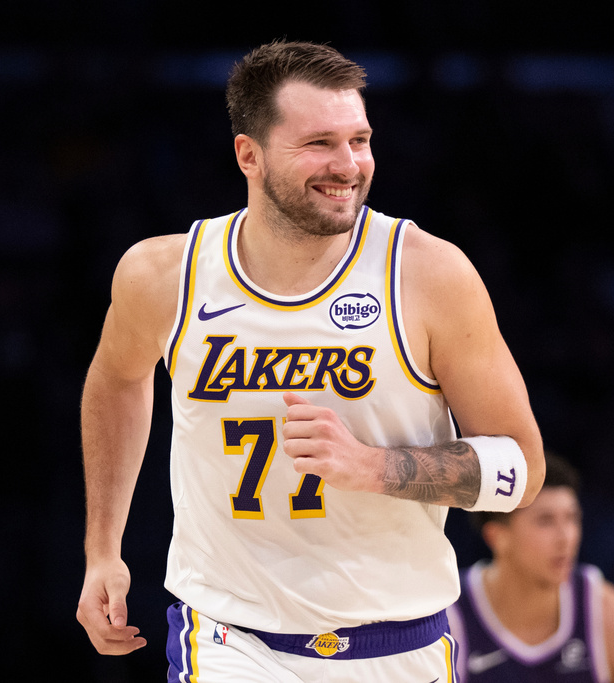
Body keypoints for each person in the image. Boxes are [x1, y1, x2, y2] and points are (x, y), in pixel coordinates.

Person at [76, 39, 545, 682]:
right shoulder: (165, 274)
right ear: (249, 154)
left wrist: (371, 467)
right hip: (227, 640)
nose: (348, 164)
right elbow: (117, 379)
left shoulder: (428, 275)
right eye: (320, 143)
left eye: (360, 140)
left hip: (397, 645)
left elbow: (521, 471)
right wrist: (103, 548)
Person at [447, 452, 614, 682]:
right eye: (545, 521)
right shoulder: (448, 621)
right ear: (497, 537)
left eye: (572, 518)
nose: (566, 538)